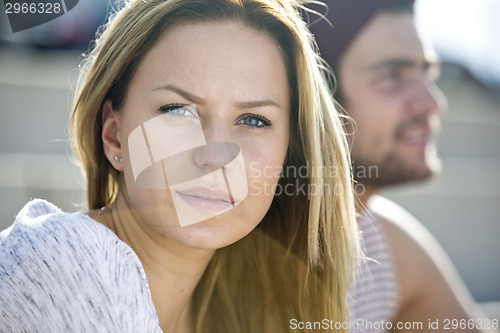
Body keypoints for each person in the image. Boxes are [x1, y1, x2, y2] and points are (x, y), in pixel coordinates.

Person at [0, 0, 361, 332]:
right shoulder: (61, 263)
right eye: (177, 110)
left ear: (288, 155)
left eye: (253, 120)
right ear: (114, 136)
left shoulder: (247, 313)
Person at [309, 0, 496, 332]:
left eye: (427, 72)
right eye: (392, 75)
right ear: (317, 98)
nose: (433, 102)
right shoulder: (232, 246)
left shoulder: (382, 246)